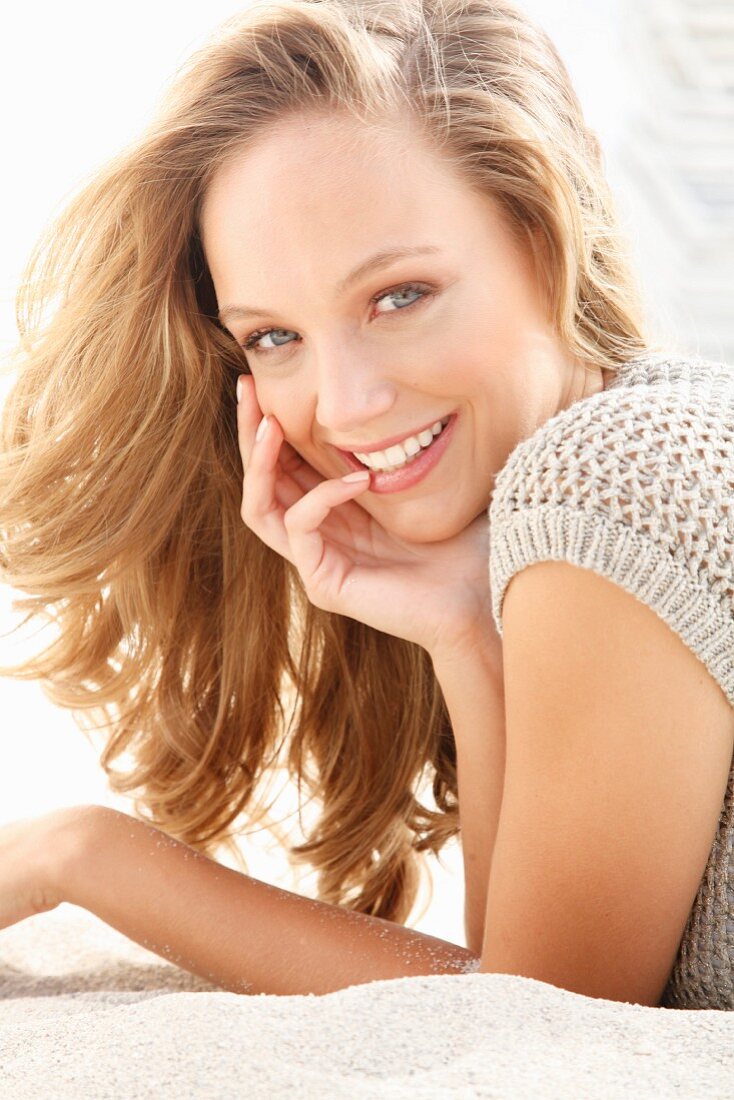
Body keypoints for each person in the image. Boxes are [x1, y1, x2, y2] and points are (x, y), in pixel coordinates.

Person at [0, 0, 732, 1009]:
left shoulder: (610, 471)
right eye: (272, 338)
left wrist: (81, 854)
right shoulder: (629, 457)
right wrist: (464, 636)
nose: (342, 406)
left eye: (398, 296)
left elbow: (540, 1014)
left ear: (549, 218)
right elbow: (524, 950)